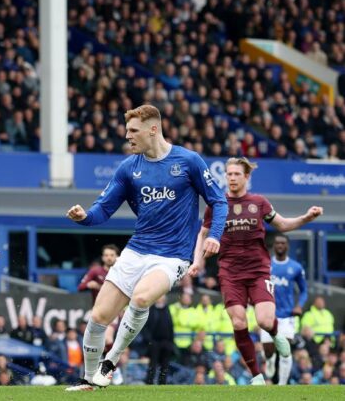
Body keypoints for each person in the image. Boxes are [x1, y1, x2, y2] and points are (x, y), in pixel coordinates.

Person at [64, 104, 227, 391]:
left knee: (140, 299)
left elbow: (219, 200)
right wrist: (84, 217)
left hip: (173, 256)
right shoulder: (129, 168)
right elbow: (103, 209)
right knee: (98, 317)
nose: (127, 136)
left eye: (133, 130)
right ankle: (89, 380)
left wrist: (214, 235)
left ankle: (110, 362)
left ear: (153, 129)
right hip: (136, 249)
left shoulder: (188, 161)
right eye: (127, 130)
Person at [195, 157, 323, 385]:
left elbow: (282, 224)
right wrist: (197, 262)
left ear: (246, 177)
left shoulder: (259, 202)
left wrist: (307, 217)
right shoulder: (217, 204)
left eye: (237, 174)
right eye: (229, 174)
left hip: (258, 271)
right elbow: (202, 235)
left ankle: (276, 333)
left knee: (264, 321)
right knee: (238, 323)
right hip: (230, 273)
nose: (232, 178)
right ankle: (256, 375)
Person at [263, 233, 307, 385]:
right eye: (277, 243)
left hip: (288, 316)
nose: (280, 246)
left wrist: (299, 305)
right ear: (274, 246)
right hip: (268, 315)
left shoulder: (296, 267)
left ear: (287, 246)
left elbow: (304, 290)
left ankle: (282, 385)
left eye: (283, 243)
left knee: (285, 351)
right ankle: (269, 360)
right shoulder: (266, 265)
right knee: (268, 351)